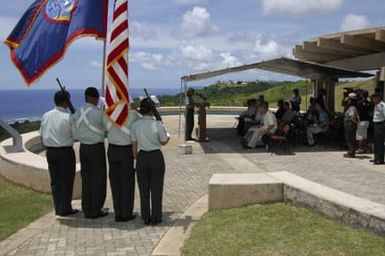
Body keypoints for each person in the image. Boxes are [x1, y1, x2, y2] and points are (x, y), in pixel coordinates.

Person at [39, 91, 78, 217]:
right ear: (65, 101)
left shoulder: (46, 115)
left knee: (55, 181)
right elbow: (76, 135)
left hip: (50, 151)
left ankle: (58, 207)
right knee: (66, 180)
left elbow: (41, 135)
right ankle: (65, 208)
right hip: (65, 151)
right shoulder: (68, 117)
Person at [132, 98, 170, 225]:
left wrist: (135, 159)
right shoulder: (157, 124)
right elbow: (164, 141)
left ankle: (146, 216)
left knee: (143, 190)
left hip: (142, 157)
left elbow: (134, 144)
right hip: (155, 157)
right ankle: (156, 216)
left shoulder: (135, 124)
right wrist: (167, 133)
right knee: (156, 189)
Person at [72, 87, 108, 219]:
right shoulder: (98, 113)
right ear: (95, 98)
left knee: (86, 179)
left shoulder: (77, 112)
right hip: (96, 148)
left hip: (83, 148)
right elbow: (107, 127)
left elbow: (73, 130)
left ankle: (86, 207)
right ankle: (95, 209)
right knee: (98, 179)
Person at [104, 107, 139, 222]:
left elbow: (104, 126)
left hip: (112, 149)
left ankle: (118, 213)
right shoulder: (133, 114)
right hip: (126, 150)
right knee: (127, 182)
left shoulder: (108, 114)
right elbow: (139, 124)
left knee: (115, 182)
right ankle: (126, 213)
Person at [343, 94, 359, 158]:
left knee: (350, 138)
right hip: (350, 123)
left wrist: (356, 122)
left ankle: (351, 152)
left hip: (350, 124)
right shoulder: (351, 107)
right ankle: (351, 151)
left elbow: (352, 117)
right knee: (349, 138)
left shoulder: (352, 107)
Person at [371, 94, 385, 165]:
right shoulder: (376, 105)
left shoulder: (382, 105)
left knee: (380, 142)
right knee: (376, 142)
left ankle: (380, 159)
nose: (373, 100)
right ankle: (376, 157)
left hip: (380, 124)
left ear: (378, 98)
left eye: (374, 99)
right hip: (376, 124)